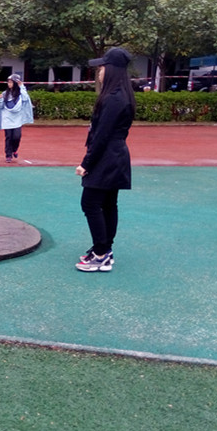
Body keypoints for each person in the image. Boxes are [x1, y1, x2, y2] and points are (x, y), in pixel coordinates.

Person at [75, 47, 135, 272]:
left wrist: (86, 164)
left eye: (102, 67)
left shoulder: (113, 98)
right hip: (114, 156)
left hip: (108, 157)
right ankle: (104, 249)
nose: (99, 71)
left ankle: (101, 253)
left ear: (112, 70)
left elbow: (101, 135)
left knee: (90, 203)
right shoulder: (120, 95)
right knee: (108, 204)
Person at [0, 74, 34, 163]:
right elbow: (1, 106)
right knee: (9, 137)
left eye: (11, 82)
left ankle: (14, 149)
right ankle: (8, 155)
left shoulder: (20, 93)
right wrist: (0, 100)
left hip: (17, 119)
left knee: (17, 137)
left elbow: (25, 98)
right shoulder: (5, 94)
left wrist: (22, 86)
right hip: (7, 119)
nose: (9, 84)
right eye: (8, 82)